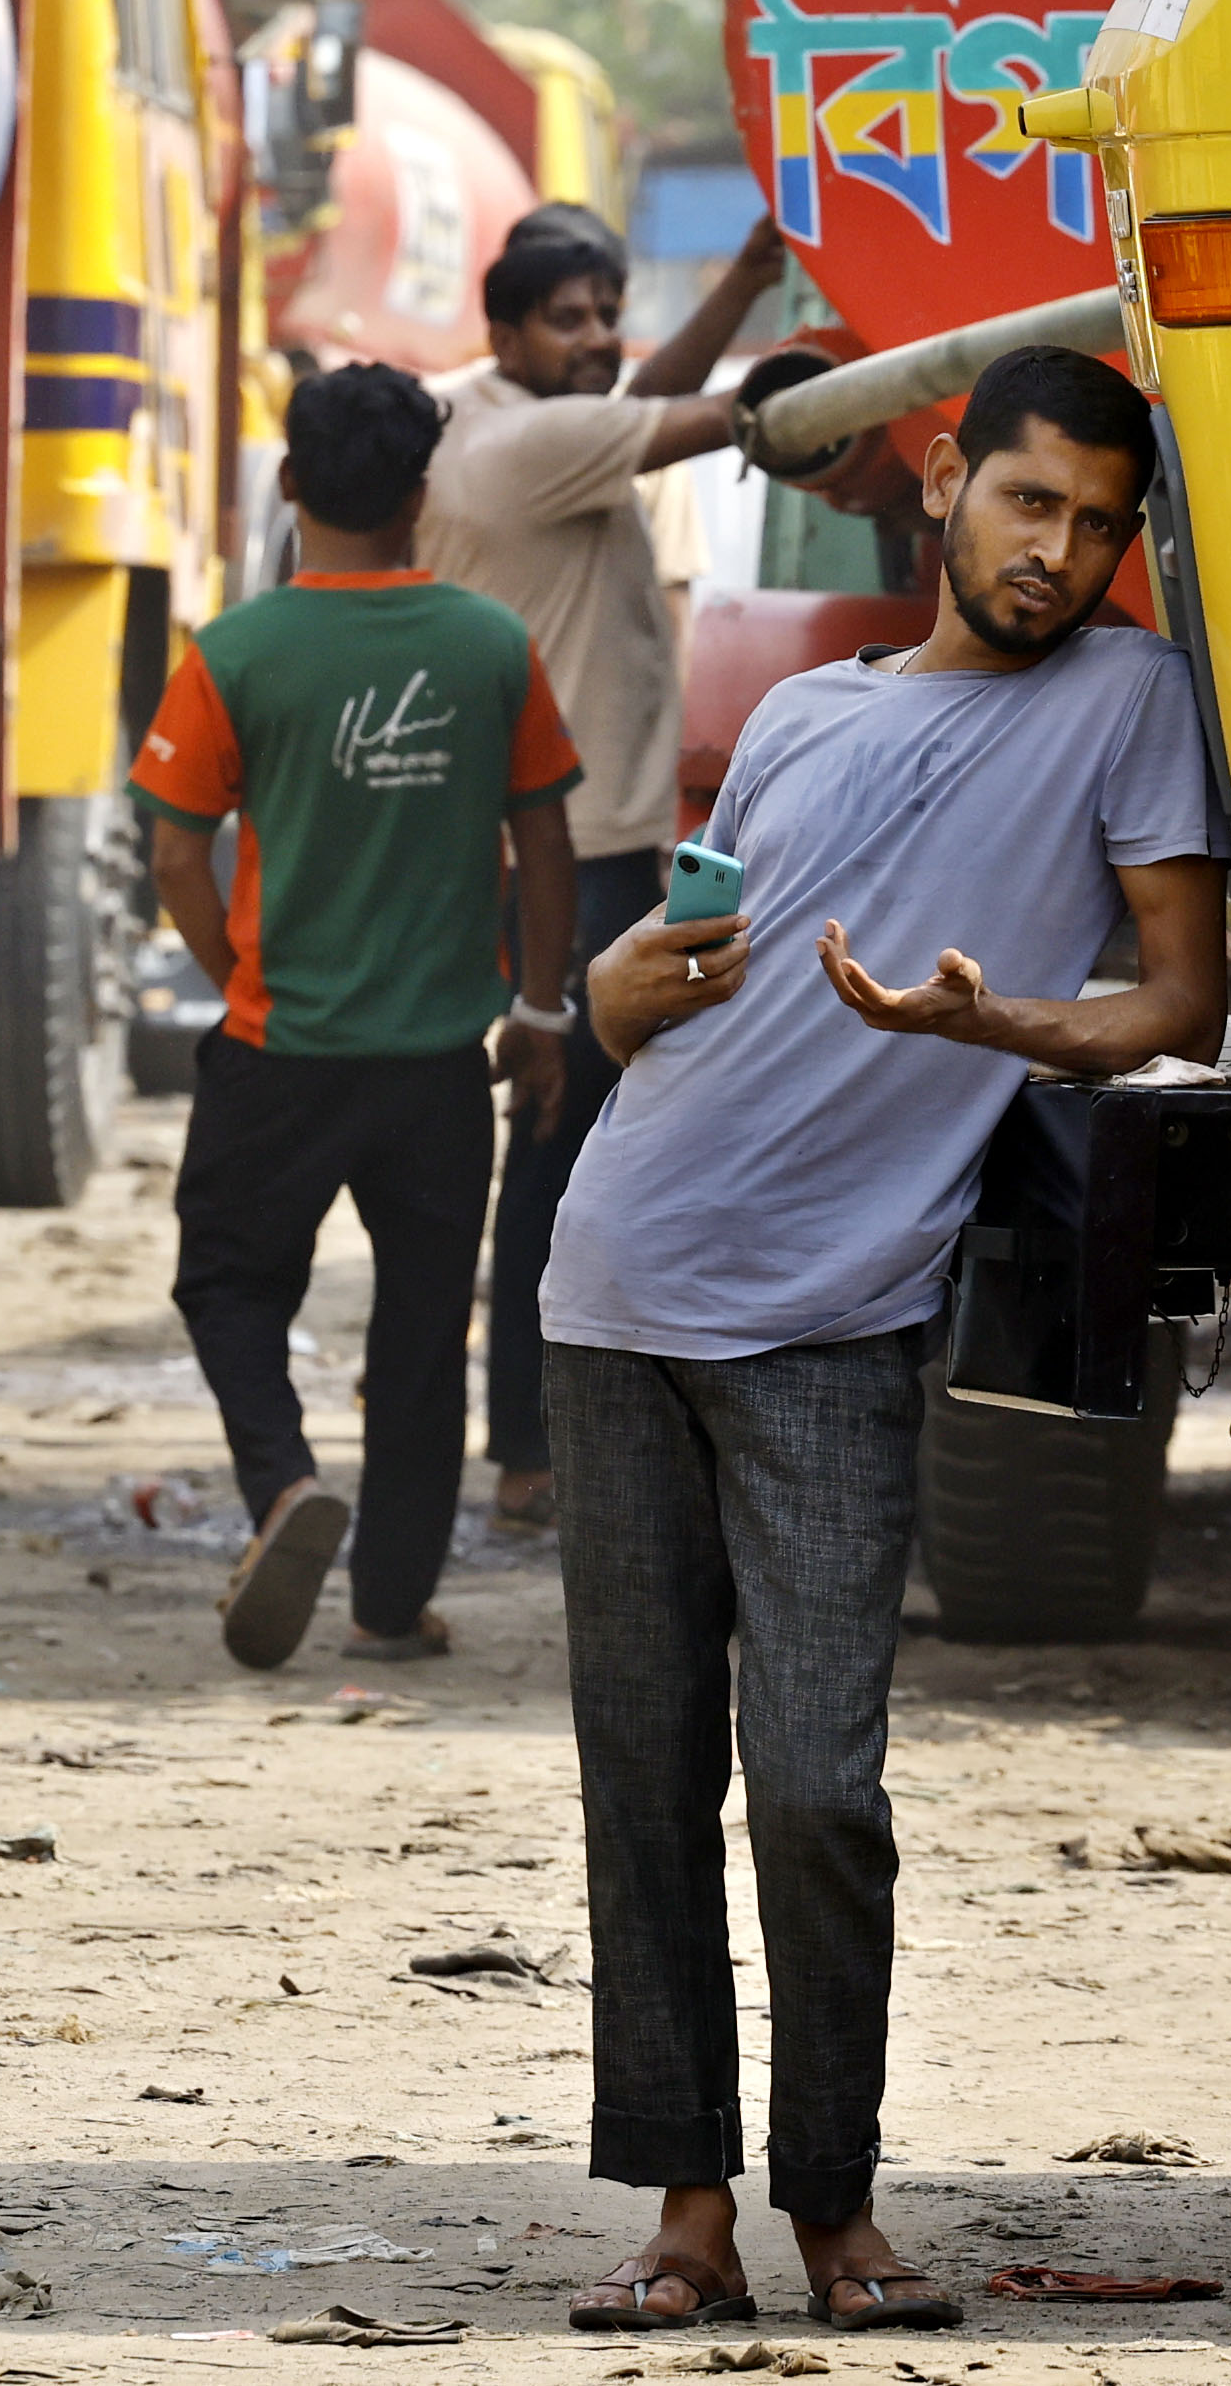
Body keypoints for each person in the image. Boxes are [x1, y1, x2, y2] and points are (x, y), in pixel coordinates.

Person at [536, 346, 1228, 2335]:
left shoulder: (1130, 701)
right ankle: (688, 2211)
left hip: (838, 1313)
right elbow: (670, 996)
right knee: (643, 1775)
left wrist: (989, 1024)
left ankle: (832, 2199)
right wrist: (600, 990)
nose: (1062, 552)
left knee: (819, 1782)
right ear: (944, 482)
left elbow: (1174, 1000)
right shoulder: (800, 714)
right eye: (1031, 504)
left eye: (1100, 524)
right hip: (620, 1275)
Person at [133, 363, 580, 1670]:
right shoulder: (491, 646)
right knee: (425, 1327)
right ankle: (390, 1604)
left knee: (225, 1277)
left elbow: (174, 857)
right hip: (441, 1064)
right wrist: (542, 1007)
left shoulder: (235, 652)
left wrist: (240, 979)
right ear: (420, 495)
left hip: (282, 1053)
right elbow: (545, 842)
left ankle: (280, 1484)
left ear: (288, 484)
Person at [421, 209, 787, 1533]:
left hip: (599, 843)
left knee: (590, 1140)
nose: (594, 339)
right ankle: (526, 1443)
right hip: (566, 858)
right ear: (506, 335)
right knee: (563, 1143)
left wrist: (740, 276)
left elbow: (641, 393)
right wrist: (812, 374)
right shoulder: (525, 442)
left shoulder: (521, 420)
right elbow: (703, 413)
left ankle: (557, 1424)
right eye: (565, 319)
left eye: (605, 310)